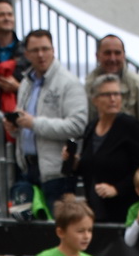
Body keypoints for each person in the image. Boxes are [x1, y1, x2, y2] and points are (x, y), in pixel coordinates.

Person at [10, 29, 87, 210]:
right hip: (28, 168)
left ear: (53, 50)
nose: (41, 55)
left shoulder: (69, 82)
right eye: (35, 51)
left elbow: (77, 125)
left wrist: (34, 123)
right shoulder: (26, 83)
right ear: (27, 54)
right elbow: (26, 123)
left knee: (57, 229)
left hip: (57, 173)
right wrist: (15, 126)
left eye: (45, 49)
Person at [78, 73, 139, 225]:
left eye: (117, 94)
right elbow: (91, 164)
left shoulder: (131, 127)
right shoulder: (91, 127)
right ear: (95, 100)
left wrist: (117, 189)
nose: (113, 99)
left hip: (125, 209)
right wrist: (75, 163)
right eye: (107, 95)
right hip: (95, 207)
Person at [83, 35, 139, 130]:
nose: (112, 58)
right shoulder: (88, 85)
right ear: (97, 56)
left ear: (124, 56)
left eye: (117, 53)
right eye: (107, 53)